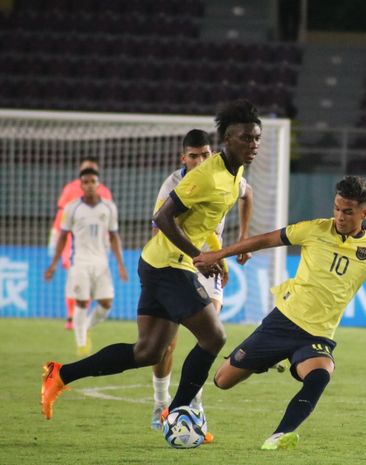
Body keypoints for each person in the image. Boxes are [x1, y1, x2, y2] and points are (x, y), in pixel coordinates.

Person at [193, 175, 366, 450]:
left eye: (348, 212)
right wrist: (219, 254)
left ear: (364, 214)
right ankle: (266, 362)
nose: (340, 216)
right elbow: (266, 239)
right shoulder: (313, 229)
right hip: (282, 322)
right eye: (337, 209)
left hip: (317, 335)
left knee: (320, 375)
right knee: (223, 381)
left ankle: (281, 434)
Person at [40, 100, 262, 438]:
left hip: (161, 264)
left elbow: (211, 219)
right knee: (214, 336)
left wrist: (216, 254)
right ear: (227, 139)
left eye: (257, 138)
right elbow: (162, 218)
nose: (254, 145)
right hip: (169, 266)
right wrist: (197, 255)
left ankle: (60, 374)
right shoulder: (205, 177)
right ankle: (182, 412)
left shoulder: (236, 173)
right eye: (246, 138)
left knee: (148, 351)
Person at [148, 129, 253, 441]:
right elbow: (160, 228)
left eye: (204, 154)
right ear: (184, 158)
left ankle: (194, 407)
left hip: (210, 264)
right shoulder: (173, 185)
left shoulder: (225, 173)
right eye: (193, 155)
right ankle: (160, 403)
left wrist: (243, 237)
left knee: (210, 336)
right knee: (165, 345)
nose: (199, 160)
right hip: (178, 264)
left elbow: (248, 194)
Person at [44, 168, 127, 355]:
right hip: (79, 262)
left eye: (93, 181)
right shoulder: (71, 208)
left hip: (101, 262)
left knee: (106, 303)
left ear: (98, 185)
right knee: (81, 303)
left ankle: (85, 328)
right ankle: (81, 343)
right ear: (81, 185)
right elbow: (63, 237)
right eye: (86, 182)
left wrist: (121, 265)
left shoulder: (109, 207)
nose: (90, 185)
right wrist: (53, 264)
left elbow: (114, 237)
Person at [49, 157, 113, 330]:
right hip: (72, 239)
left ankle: (80, 315)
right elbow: (61, 214)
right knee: (74, 277)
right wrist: (54, 234)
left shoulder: (105, 192)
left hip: (96, 243)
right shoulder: (70, 189)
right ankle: (71, 316)